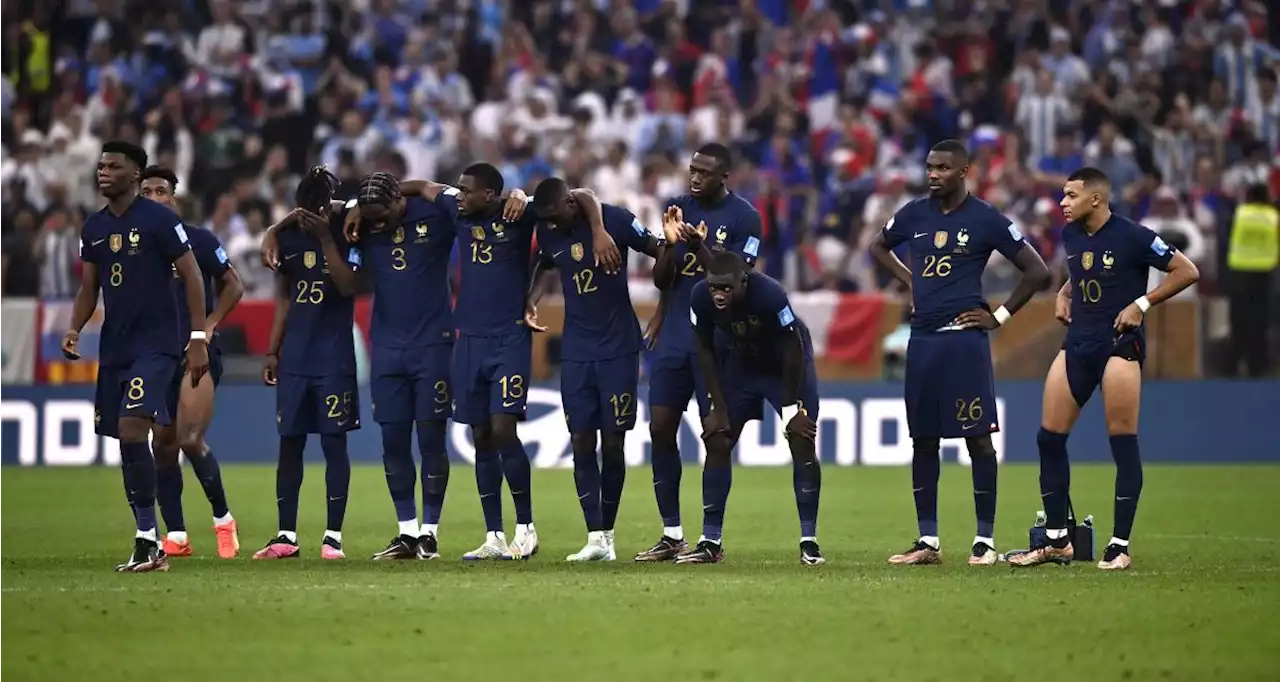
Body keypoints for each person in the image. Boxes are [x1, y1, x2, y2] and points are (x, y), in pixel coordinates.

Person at [344, 164, 617, 560]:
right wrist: (356, 203)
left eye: (466, 190)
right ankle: (494, 536)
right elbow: (420, 186)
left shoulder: (518, 213)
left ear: (489, 195)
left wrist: (593, 227)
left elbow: (581, 194)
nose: (458, 194)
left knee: (504, 428)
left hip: (508, 336)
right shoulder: (457, 208)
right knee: (481, 435)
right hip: (468, 338)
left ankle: (526, 528)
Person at [868, 139, 1050, 566]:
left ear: (964, 171)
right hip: (923, 341)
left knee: (978, 441)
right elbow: (878, 246)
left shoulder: (985, 219)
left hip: (964, 343)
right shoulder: (914, 214)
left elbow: (1037, 270)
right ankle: (927, 541)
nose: (933, 174)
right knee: (923, 440)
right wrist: (910, 279)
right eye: (929, 167)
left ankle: (984, 540)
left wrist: (999, 316)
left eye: (943, 168)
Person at [1012, 167, 1198, 570]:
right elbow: (1082, 271)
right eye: (1063, 195)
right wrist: (1064, 292)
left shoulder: (1134, 236)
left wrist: (1142, 304)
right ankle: (1058, 540)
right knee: (1048, 438)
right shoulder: (1072, 234)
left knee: (1122, 443)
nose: (1062, 203)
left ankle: (1119, 546)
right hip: (1078, 343)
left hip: (1119, 345)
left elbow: (1187, 270)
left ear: (1096, 199)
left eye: (1070, 196)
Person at [63, 141, 209, 572]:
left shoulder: (161, 221)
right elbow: (90, 288)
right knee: (126, 439)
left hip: (157, 344)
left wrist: (198, 335)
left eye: (114, 166)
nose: (103, 172)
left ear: (136, 176)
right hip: (116, 346)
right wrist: (74, 327)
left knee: (132, 428)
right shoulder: (93, 228)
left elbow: (193, 275)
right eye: (101, 165)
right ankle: (147, 538)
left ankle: (150, 540)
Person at [527, 177, 668, 561]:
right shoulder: (549, 229)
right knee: (581, 441)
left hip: (619, 350)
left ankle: (607, 533)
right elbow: (542, 265)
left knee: (614, 442)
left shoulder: (617, 221)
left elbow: (663, 253)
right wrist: (531, 300)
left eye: (556, 216)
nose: (552, 225)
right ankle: (595, 537)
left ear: (570, 205)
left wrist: (661, 311)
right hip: (576, 353)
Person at [635, 142, 762, 563]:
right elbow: (661, 279)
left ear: (723, 176)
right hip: (673, 336)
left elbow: (736, 282)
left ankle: (711, 540)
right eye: (692, 170)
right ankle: (672, 534)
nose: (694, 178)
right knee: (660, 428)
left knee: (717, 437)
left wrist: (701, 248)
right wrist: (672, 244)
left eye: (704, 173)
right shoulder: (676, 206)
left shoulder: (746, 217)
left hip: (718, 340)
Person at [678, 252, 824, 565]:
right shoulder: (699, 297)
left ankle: (809, 541)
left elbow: (794, 347)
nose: (719, 294)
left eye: (726, 288)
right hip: (741, 364)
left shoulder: (771, 294)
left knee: (801, 438)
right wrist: (716, 405)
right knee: (717, 437)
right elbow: (703, 348)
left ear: (743, 281)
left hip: (784, 366)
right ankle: (710, 541)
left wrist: (789, 410)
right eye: (714, 287)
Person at [343, 171, 457, 561]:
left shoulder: (434, 214)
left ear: (398, 201)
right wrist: (355, 208)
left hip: (433, 346)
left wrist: (365, 205)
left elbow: (462, 197)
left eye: (382, 214)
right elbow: (316, 211)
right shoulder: (365, 220)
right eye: (370, 214)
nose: (378, 223)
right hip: (387, 348)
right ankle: (406, 532)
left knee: (430, 440)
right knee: (392, 440)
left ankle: (430, 532)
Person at [254, 167, 363, 561]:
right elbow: (284, 297)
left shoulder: (349, 230)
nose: (311, 215)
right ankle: (286, 534)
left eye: (318, 208)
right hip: (296, 357)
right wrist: (272, 350)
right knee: (290, 444)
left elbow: (349, 286)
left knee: (335, 444)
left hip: (333, 357)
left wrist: (323, 238)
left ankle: (333, 536)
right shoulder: (288, 237)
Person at [138, 165, 244, 560]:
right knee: (162, 446)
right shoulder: (138, 249)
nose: (153, 197)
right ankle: (177, 536)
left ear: (174, 199)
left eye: (160, 191)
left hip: (196, 352)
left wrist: (211, 326)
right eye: (146, 191)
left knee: (189, 438)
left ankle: (223, 520)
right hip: (156, 354)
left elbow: (234, 284)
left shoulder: (198, 241)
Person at [1223, 184, 1277, 377]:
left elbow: (1226, 238)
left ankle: (1231, 367)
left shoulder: (1239, 213)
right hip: (1264, 275)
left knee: (1238, 323)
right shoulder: (1274, 217)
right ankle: (1258, 368)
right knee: (1260, 324)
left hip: (1240, 274)